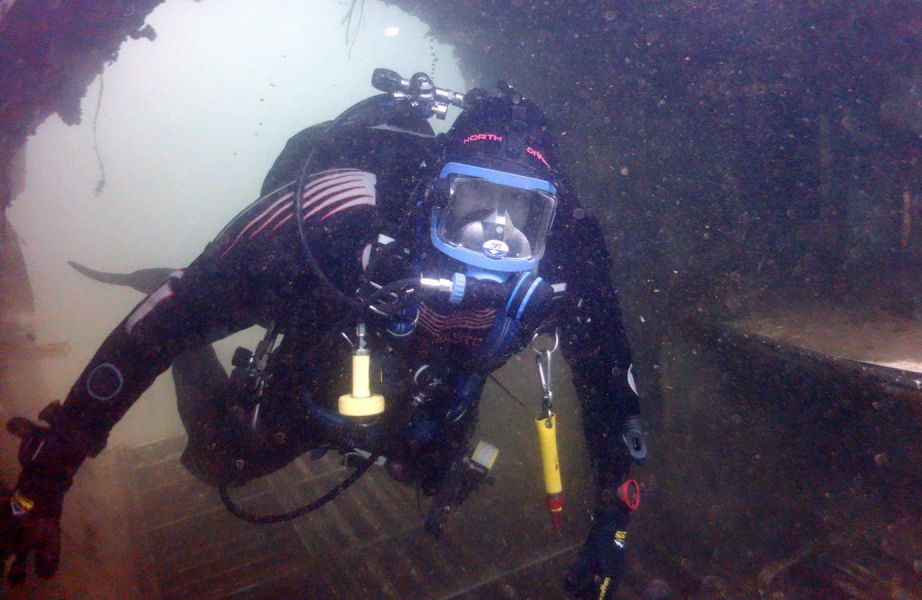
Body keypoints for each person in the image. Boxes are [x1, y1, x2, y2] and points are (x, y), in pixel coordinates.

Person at [0, 74, 645, 599]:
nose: (493, 239)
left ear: (552, 217)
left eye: (523, 216)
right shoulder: (342, 213)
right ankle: (197, 344)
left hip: (433, 392)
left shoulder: (571, 258)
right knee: (221, 461)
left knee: (427, 466)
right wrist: (46, 480)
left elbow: (614, 400)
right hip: (326, 351)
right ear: (428, 196)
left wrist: (609, 538)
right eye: (471, 205)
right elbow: (165, 320)